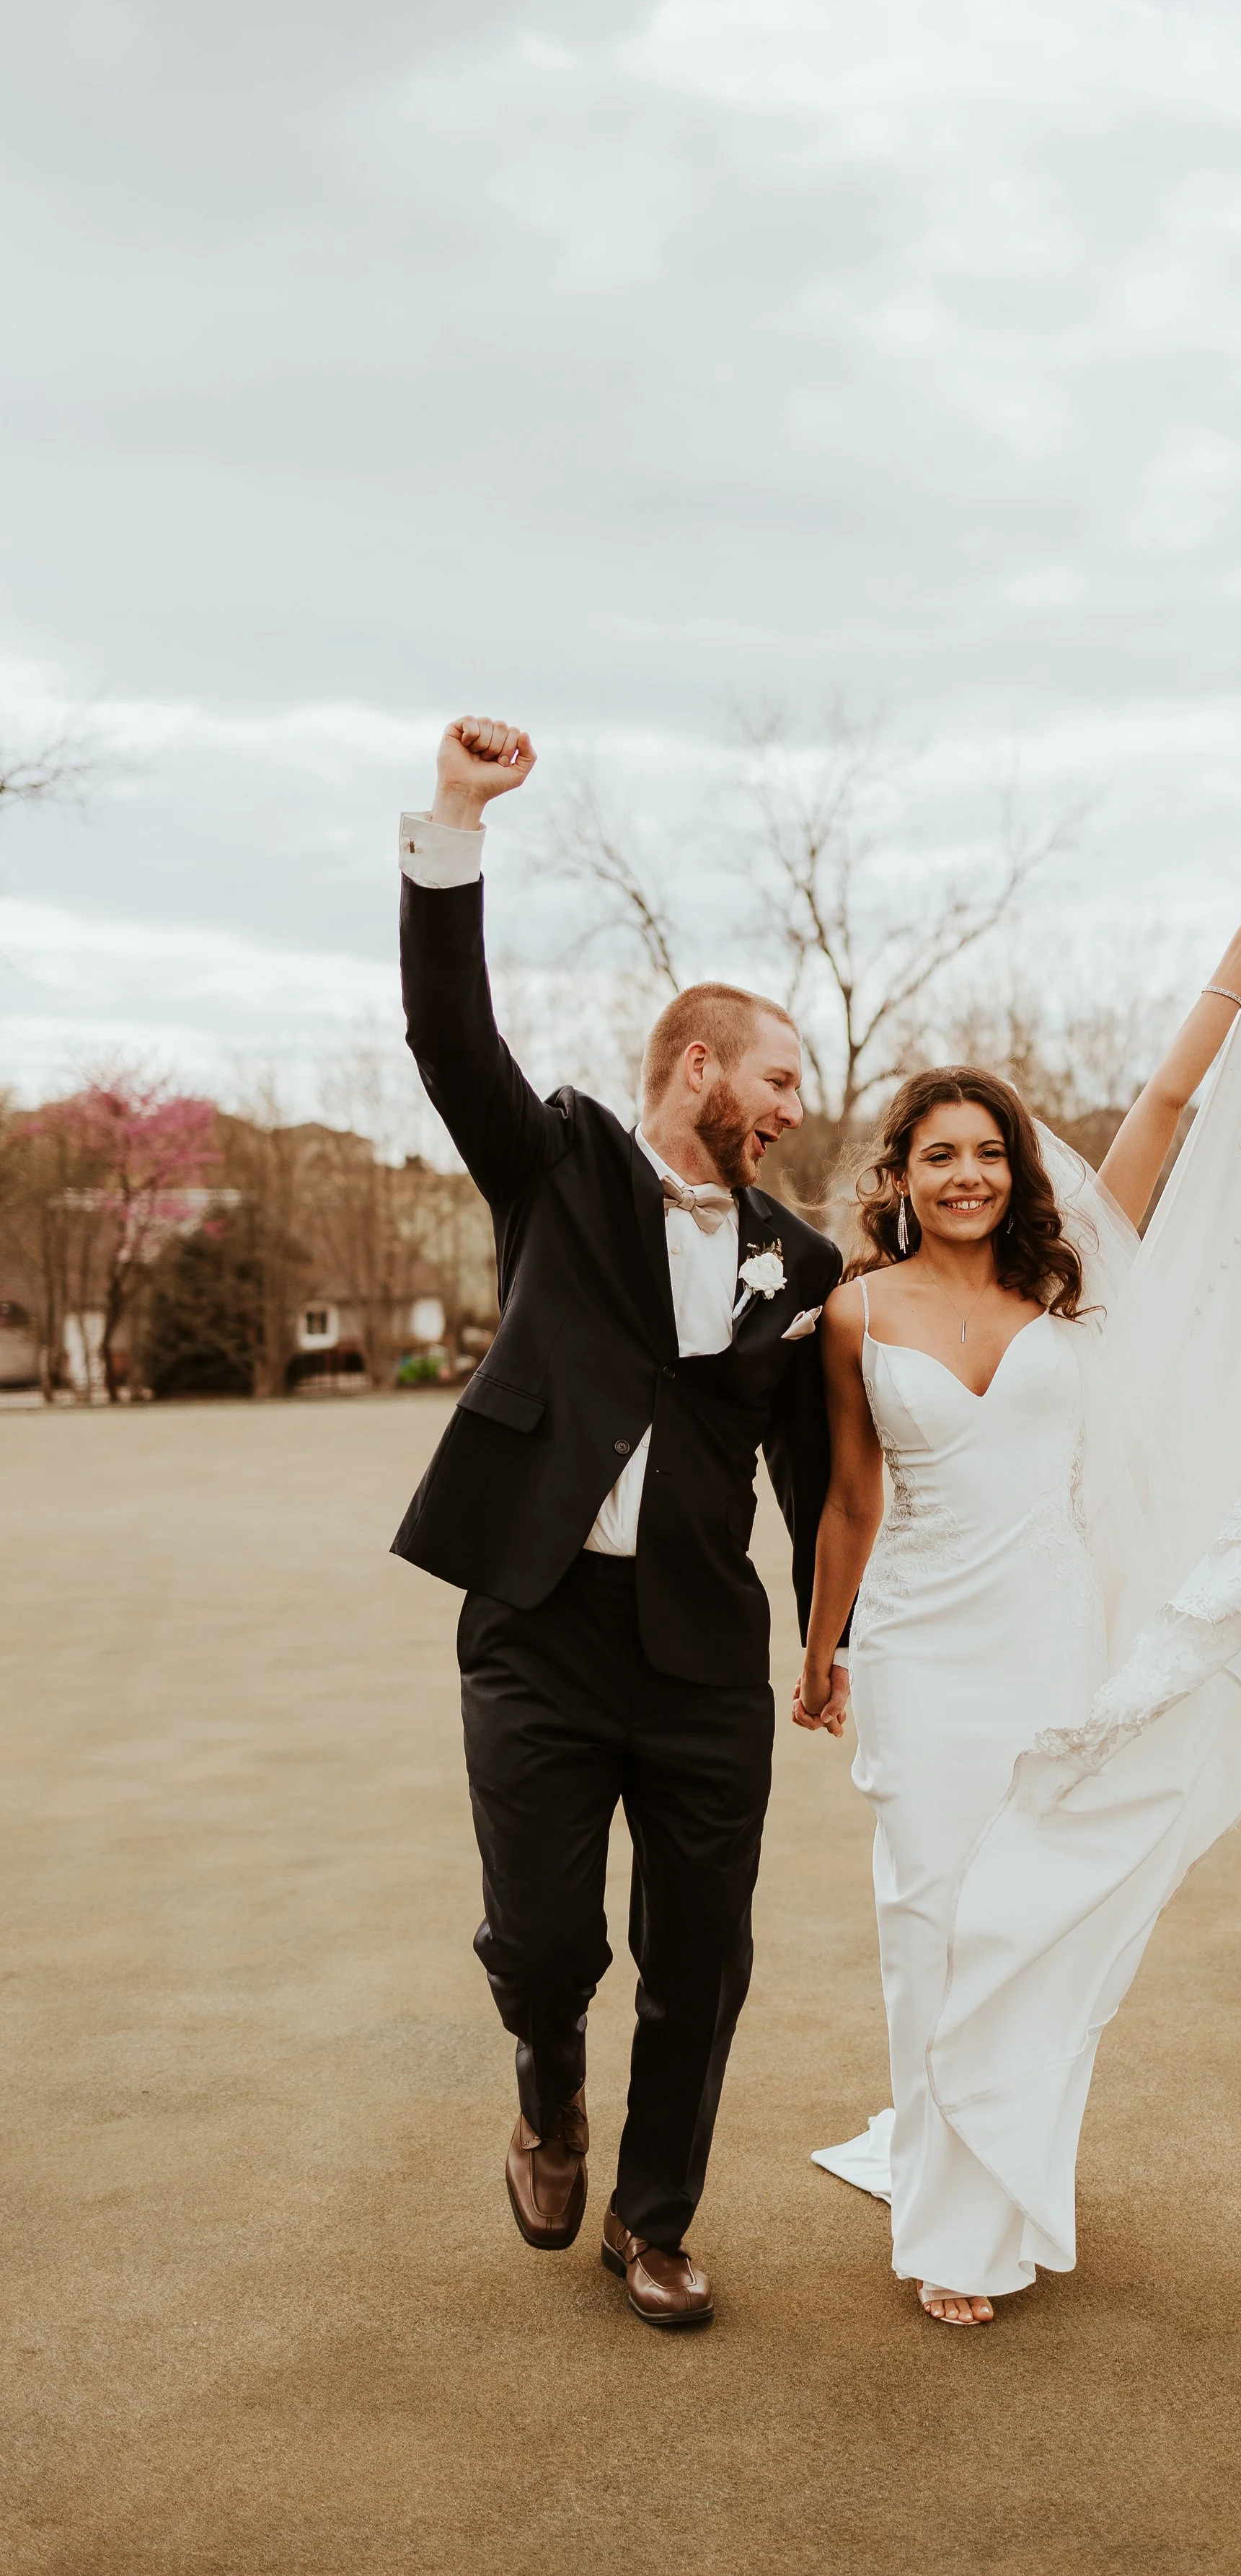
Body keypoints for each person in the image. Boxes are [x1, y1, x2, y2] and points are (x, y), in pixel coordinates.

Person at [794, 864, 1241, 2324]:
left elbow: (1165, 1113)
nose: (965, 1176)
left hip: (1053, 1640)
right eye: (936, 1156)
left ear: (1013, 1169)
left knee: (1035, 1911)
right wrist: (822, 1653)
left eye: (984, 1152)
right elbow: (850, 1500)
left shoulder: (1069, 1286)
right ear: (899, 1177)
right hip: (920, 1652)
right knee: (929, 1918)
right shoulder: (855, 1312)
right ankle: (947, 2228)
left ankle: (992, 2171)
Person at [392, 714, 845, 2330]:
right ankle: (543, 2087)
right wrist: (456, 816)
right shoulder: (562, 1164)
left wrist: (831, 1637)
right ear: (701, 1067)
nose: (796, 1107)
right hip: (536, 1628)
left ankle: (651, 2224)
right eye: (783, 1075)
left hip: (701, 1660)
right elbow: (451, 1039)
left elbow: (812, 1474)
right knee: (542, 1941)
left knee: (703, 1960)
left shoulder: (798, 1267)